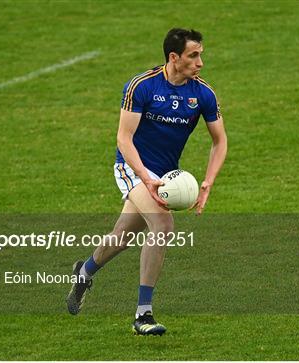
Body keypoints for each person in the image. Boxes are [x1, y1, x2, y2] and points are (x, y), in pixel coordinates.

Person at [66, 28, 227, 336]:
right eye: (194, 55)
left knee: (121, 237)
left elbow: (219, 141)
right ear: (174, 57)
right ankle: (143, 315)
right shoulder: (142, 86)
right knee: (163, 226)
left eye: (201, 55)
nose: (200, 63)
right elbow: (124, 139)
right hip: (131, 166)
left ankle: (84, 271)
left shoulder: (203, 94)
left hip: (164, 174)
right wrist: (144, 177)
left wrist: (208, 181)